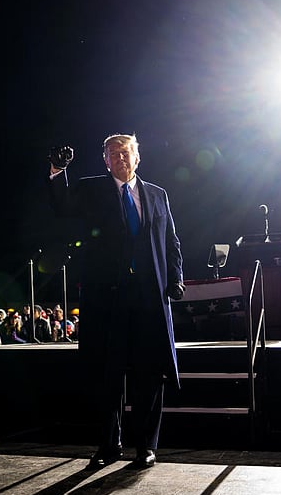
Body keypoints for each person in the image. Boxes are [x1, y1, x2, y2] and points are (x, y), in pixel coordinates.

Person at [47, 133, 185, 469]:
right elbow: (61, 205)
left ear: (137, 157)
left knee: (149, 375)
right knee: (106, 375)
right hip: (106, 300)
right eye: (112, 153)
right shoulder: (91, 189)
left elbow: (171, 241)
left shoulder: (157, 194)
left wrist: (176, 277)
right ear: (104, 160)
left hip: (149, 300)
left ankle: (145, 447)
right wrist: (56, 169)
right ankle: (109, 445)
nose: (119, 158)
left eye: (125, 152)